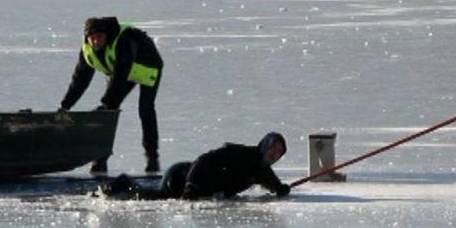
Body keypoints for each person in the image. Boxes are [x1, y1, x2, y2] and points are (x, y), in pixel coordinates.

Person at [58, 17, 163, 175]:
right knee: (107, 111)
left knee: (145, 109)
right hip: (122, 72)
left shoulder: (124, 41)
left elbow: (121, 74)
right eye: (92, 38)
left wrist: (106, 103)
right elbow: (80, 80)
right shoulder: (87, 50)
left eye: (99, 37)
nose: (95, 41)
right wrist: (65, 105)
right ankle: (100, 161)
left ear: (107, 36)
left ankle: (152, 159)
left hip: (147, 67)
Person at [99, 132, 291, 200]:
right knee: (152, 196)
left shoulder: (262, 171)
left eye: (279, 153)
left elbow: (273, 184)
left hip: (195, 185)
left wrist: (281, 189)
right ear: (264, 146)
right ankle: (122, 183)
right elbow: (204, 160)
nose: (275, 154)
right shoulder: (241, 154)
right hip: (182, 176)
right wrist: (191, 185)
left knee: (152, 195)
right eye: (273, 148)